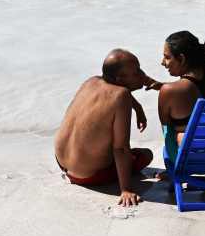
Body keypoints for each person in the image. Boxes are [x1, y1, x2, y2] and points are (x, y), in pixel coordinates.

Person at [54, 50, 153, 206]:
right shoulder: (122, 96)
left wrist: (138, 107)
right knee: (146, 155)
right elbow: (120, 148)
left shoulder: (92, 81)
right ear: (119, 79)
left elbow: (116, 89)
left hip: (62, 162)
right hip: (87, 176)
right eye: (136, 72)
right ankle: (119, 180)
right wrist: (125, 189)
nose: (142, 74)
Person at [145, 31, 205, 170]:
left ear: (182, 59)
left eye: (167, 57)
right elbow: (197, 90)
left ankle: (175, 172)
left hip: (193, 160)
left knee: (172, 136)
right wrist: (163, 86)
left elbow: (168, 134)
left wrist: (165, 90)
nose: (162, 62)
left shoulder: (169, 91)